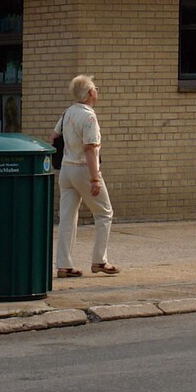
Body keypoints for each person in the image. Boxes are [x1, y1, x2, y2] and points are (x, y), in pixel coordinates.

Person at [54, 74, 116, 277]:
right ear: (90, 92)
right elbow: (90, 149)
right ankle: (100, 260)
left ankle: (64, 264)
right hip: (83, 168)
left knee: (67, 217)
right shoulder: (89, 117)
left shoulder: (68, 112)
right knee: (104, 212)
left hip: (66, 169)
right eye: (95, 88)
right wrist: (95, 178)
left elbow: (54, 136)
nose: (97, 91)